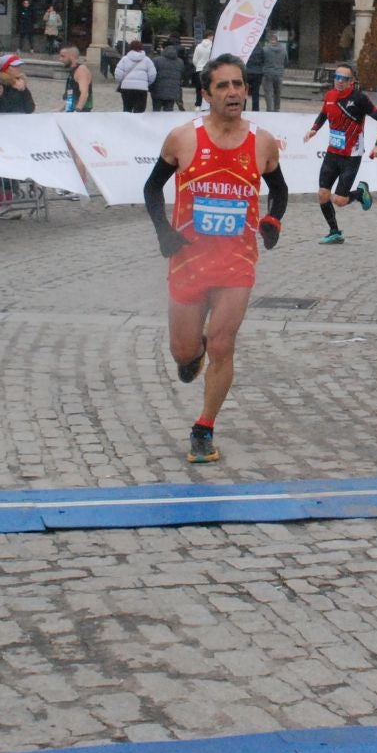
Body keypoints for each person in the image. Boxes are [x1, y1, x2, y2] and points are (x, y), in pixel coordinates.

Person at [142, 53, 289, 465]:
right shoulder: (182, 138)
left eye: (239, 85)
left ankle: (204, 427)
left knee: (224, 344)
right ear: (206, 94)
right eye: (223, 86)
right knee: (183, 352)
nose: (233, 93)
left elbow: (279, 190)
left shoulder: (262, 142)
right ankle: (193, 352)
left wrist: (273, 219)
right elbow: (152, 189)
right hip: (188, 261)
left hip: (237, 263)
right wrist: (163, 233)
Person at [304, 64, 377, 244]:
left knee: (340, 200)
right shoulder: (330, 96)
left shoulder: (359, 99)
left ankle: (360, 192)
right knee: (322, 194)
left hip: (351, 155)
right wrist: (314, 130)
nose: (340, 81)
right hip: (332, 153)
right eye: (337, 77)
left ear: (352, 81)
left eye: (344, 78)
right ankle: (334, 231)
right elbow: (324, 114)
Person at [115, 38, 156, 113]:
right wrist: (147, 83)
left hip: (126, 88)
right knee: (140, 111)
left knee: (127, 109)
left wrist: (122, 81)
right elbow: (152, 74)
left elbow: (118, 74)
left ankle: (127, 124)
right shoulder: (147, 60)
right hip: (141, 88)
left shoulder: (124, 59)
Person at [150, 40, 186, 112]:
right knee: (168, 112)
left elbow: (152, 75)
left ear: (163, 49)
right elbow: (182, 75)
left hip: (157, 90)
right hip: (173, 91)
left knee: (156, 111)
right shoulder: (180, 62)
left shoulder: (156, 60)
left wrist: (151, 87)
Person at [59, 45, 94, 112]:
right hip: (71, 110)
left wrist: (77, 111)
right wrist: (60, 109)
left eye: (63, 56)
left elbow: (84, 93)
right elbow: (71, 94)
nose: (60, 59)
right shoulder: (73, 71)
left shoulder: (81, 70)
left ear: (72, 57)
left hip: (81, 112)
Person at [259, 32, 288, 111]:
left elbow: (261, 60)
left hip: (268, 73)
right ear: (277, 40)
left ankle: (269, 109)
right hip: (279, 73)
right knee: (277, 93)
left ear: (269, 40)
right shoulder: (283, 49)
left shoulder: (265, 49)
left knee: (268, 93)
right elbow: (286, 62)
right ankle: (277, 109)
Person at [191, 31, 214, 108]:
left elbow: (194, 60)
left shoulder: (198, 46)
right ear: (209, 36)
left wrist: (198, 66)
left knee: (199, 89)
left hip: (199, 70)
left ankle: (198, 105)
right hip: (210, 70)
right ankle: (208, 105)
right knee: (210, 89)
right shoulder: (212, 46)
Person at [244, 42, 266, 111]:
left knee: (245, 91)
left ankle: (243, 108)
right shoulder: (261, 50)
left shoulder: (247, 49)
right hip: (258, 73)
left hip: (247, 72)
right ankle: (255, 109)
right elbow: (263, 60)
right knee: (256, 92)